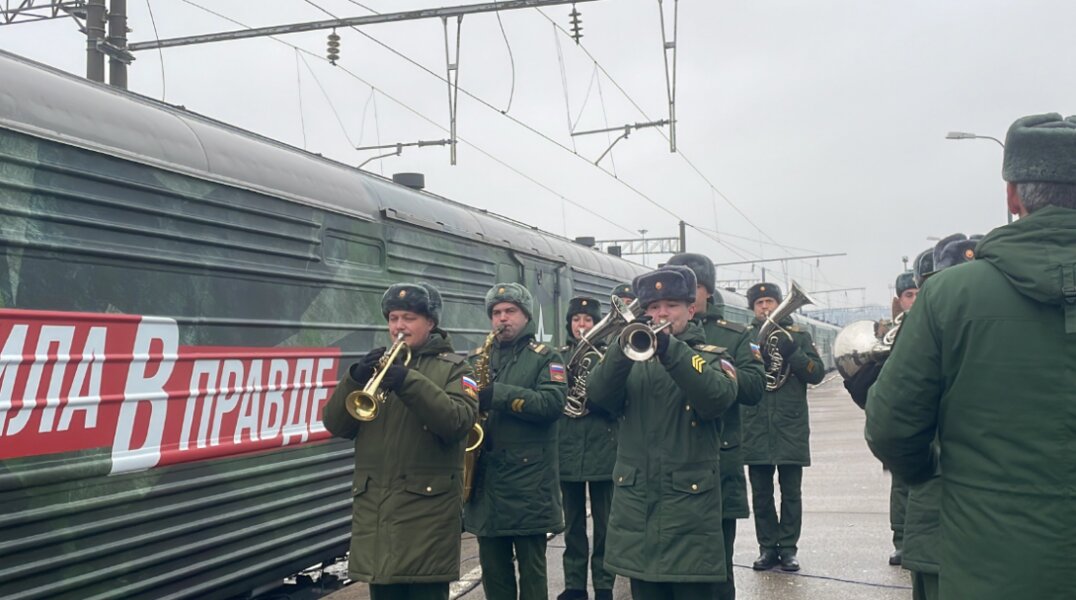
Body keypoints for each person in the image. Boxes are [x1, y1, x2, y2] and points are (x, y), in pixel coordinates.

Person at [866, 112, 1076, 600]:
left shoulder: (948, 296)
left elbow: (892, 428)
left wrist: (929, 472)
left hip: (989, 569)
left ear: (1012, 196)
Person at [587, 265, 740, 600]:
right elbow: (596, 395)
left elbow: (717, 397)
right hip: (637, 509)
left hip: (690, 512)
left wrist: (671, 349)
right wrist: (620, 349)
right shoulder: (631, 359)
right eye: (653, 308)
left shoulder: (712, 358)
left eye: (670, 305)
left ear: (691, 308)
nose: (660, 314)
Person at [322, 282, 478, 600]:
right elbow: (335, 424)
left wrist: (408, 382)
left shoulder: (456, 367)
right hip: (377, 519)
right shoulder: (378, 370)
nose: (399, 327)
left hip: (426, 521)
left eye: (408, 318)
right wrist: (355, 377)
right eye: (393, 318)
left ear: (430, 323)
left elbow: (457, 421)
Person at [667, 253, 765, 600]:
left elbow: (755, 388)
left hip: (717, 463)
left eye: (696, 288)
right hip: (666, 466)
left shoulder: (735, 336)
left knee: (717, 569)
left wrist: (714, 373)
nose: (690, 294)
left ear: (707, 292)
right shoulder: (650, 331)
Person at [465, 282, 567, 600]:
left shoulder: (546, 357)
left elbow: (552, 404)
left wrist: (499, 395)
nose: (502, 319)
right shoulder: (476, 358)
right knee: (493, 574)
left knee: (532, 574)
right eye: (496, 313)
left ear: (525, 317)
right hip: (487, 483)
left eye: (510, 311)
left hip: (528, 485)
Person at [741, 282, 825, 572]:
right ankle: (767, 548)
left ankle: (788, 548)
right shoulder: (746, 337)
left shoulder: (798, 336)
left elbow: (817, 375)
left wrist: (793, 354)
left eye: (770, 301)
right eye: (760, 303)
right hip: (755, 425)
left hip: (790, 426)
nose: (765, 307)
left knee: (792, 493)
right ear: (752, 308)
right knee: (761, 494)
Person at [843, 269, 920, 566]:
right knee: (901, 481)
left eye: (917, 293)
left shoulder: (932, 321)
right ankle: (901, 539)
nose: (914, 299)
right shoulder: (889, 332)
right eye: (908, 295)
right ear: (899, 300)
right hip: (901, 412)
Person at [557, 296, 617, 600]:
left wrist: (595, 398)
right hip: (567, 449)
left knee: (605, 526)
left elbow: (620, 401)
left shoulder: (609, 358)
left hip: (603, 449)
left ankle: (604, 585)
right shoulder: (560, 357)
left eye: (588, 320)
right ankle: (574, 585)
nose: (581, 326)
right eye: (576, 320)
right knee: (573, 526)